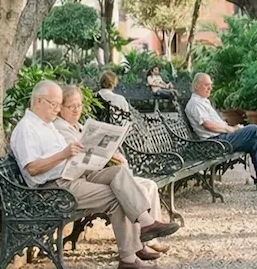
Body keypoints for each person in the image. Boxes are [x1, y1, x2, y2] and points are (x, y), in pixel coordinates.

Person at [9, 79, 179, 269]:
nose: (57, 109)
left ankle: (146, 222)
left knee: (119, 172)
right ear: (39, 101)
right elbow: (32, 168)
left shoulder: (46, 125)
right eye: (54, 104)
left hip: (73, 176)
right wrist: (63, 155)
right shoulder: (27, 128)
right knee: (118, 196)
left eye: (58, 104)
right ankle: (129, 258)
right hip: (54, 188)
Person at [52, 85, 170, 260]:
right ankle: (140, 241)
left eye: (79, 105)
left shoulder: (78, 125)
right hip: (80, 178)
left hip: (92, 173)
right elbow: (79, 156)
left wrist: (110, 151)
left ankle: (148, 235)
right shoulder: (60, 128)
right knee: (125, 193)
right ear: (60, 108)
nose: (76, 110)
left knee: (149, 185)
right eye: (71, 106)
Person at [186, 72, 257, 191]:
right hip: (213, 143)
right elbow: (207, 125)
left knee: (255, 142)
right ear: (196, 86)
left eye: (210, 85)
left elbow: (214, 124)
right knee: (253, 129)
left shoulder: (202, 101)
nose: (210, 88)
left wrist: (232, 128)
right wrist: (230, 129)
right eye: (206, 85)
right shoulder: (195, 103)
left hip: (220, 138)